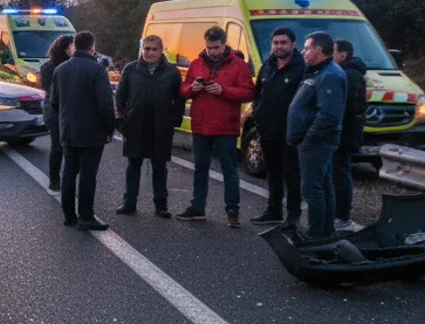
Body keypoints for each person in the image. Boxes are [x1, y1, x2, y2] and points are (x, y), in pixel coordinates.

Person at [176, 26, 255, 227]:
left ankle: (232, 211)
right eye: (209, 47)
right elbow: (184, 89)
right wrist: (191, 89)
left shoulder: (238, 65)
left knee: (229, 170)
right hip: (201, 124)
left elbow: (248, 93)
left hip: (225, 125)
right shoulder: (196, 63)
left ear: (224, 43)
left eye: (216, 47)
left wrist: (223, 90)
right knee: (200, 169)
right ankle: (197, 207)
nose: (212, 51)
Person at [48, 31, 116, 230]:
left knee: (69, 171)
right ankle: (86, 215)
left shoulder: (60, 69)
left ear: (75, 45)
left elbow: (54, 102)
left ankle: (69, 215)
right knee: (88, 174)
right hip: (91, 131)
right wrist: (109, 127)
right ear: (92, 46)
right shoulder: (97, 70)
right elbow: (105, 103)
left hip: (67, 129)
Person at [114, 35, 185, 219]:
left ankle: (161, 205)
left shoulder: (172, 72)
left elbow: (179, 100)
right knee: (133, 166)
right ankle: (129, 202)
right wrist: (123, 120)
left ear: (161, 50)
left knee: (159, 167)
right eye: (147, 48)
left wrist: (173, 121)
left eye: (154, 49)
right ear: (142, 49)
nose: (150, 52)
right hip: (135, 125)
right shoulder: (131, 69)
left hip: (161, 126)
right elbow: (120, 96)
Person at [287, 32, 347, 240]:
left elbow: (328, 114)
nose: (303, 52)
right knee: (323, 186)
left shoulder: (329, 75)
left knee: (312, 189)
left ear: (318, 50)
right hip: (312, 140)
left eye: (306, 48)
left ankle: (316, 235)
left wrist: (309, 138)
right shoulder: (316, 71)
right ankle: (325, 232)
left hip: (316, 142)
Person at [249, 27, 306, 227]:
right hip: (267, 129)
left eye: (283, 43)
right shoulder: (268, 65)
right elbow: (257, 93)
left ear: (293, 44)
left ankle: (293, 214)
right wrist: (257, 114)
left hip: (290, 132)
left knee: (292, 173)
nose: (279, 46)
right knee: (272, 171)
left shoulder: (302, 68)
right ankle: (273, 209)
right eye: (276, 43)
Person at [332, 38, 367, 231]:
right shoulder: (346, 73)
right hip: (342, 133)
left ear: (343, 54)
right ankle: (337, 214)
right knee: (337, 173)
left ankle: (342, 217)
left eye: (333, 52)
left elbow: (349, 108)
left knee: (340, 174)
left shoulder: (350, 75)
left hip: (344, 135)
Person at [40, 35, 75, 192]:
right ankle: (55, 179)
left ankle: (59, 179)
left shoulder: (50, 66)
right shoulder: (53, 67)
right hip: (55, 109)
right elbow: (50, 88)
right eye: (73, 46)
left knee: (61, 146)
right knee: (59, 146)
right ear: (66, 48)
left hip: (58, 108)